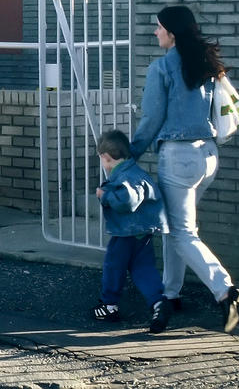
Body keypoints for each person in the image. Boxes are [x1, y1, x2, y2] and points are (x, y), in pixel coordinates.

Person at [130, 5, 239, 333]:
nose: (155, 33)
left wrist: (132, 154)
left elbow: (152, 118)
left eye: (158, 27)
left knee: (181, 232)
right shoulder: (206, 64)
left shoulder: (162, 68)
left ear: (172, 32)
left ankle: (224, 292)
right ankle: (171, 292)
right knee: (177, 228)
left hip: (178, 159)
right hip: (208, 156)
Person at [92, 129, 170, 333]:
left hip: (125, 234)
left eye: (102, 159)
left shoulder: (124, 178)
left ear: (106, 158)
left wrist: (105, 196)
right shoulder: (137, 172)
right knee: (143, 269)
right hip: (144, 233)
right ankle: (158, 302)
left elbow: (128, 200)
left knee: (113, 268)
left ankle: (108, 306)